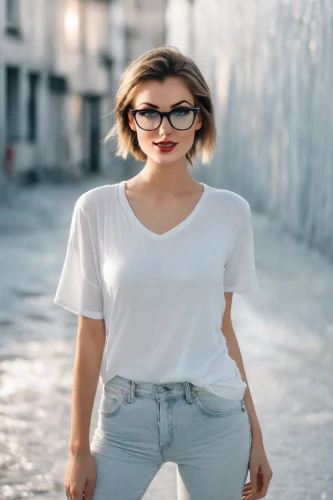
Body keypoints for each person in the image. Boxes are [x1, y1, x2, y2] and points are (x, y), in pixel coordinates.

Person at [54, 46, 273, 500]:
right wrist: (77, 448)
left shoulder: (231, 213)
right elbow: (90, 336)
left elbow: (223, 328)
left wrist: (256, 434)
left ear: (200, 118)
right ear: (130, 120)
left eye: (179, 112)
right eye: (149, 113)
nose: (164, 129)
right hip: (124, 419)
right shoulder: (95, 210)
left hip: (213, 416)